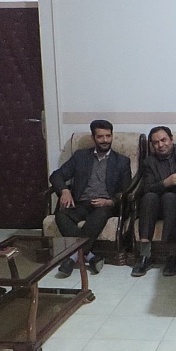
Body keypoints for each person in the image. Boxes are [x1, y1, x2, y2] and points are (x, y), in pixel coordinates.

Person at [50, 119, 132, 277]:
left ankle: (72, 258)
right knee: (61, 215)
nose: (105, 140)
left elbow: (125, 190)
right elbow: (56, 176)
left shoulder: (122, 161)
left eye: (108, 136)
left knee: (100, 214)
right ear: (93, 138)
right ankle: (89, 255)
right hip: (81, 203)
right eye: (100, 136)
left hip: (105, 205)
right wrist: (64, 190)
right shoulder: (80, 157)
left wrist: (109, 201)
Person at [131, 126, 176, 277]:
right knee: (149, 197)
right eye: (156, 142)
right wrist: (165, 183)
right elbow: (147, 188)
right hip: (159, 207)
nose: (160, 145)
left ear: (171, 139)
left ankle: (174, 255)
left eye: (163, 140)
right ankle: (145, 255)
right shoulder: (149, 162)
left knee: (169, 198)